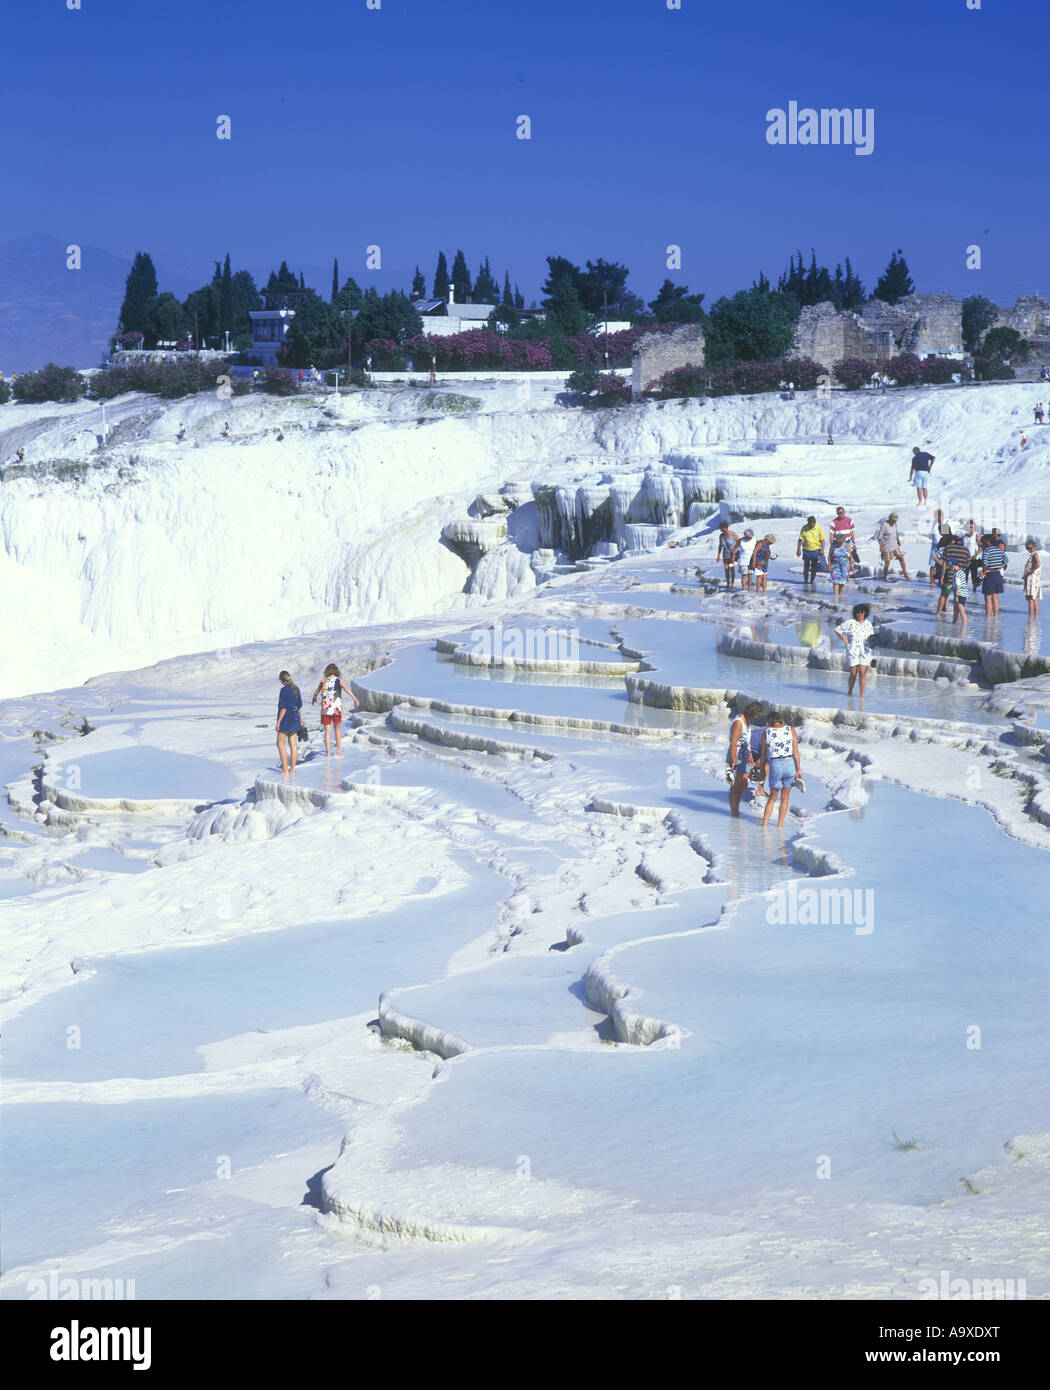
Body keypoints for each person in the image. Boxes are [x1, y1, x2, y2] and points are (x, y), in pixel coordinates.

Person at [760, 713, 802, 830]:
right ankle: (779, 825)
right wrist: (798, 770)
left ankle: (764, 825)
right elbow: (796, 752)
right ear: (780, 720)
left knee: (772, 798)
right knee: (785, 798)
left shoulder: (767, 732)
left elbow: (763, 754)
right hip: (789, 765)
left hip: (775, 765)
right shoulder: (791, 730)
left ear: (769, 721)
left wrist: (762, 770)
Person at [725, 701, 765, 817]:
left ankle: (736, 808)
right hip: (737, 755)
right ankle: (734, 811)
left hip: (745, 755)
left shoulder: (746, 721)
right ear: (751, 712)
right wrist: (733, 760)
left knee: (744, 783)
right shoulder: (739, 722)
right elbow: (733, 742)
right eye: (756, 715)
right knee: (736, 784)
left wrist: (750, 754)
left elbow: (746, 740)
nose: (756, 718)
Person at [311, 662, 356, 757]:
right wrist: (355, 699)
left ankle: (327, 753)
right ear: (336, 671)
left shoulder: (323, 680)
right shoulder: (339, 680)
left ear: (327, 671)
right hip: (336, 709)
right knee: (337, 730)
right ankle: (338, 750)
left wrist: (314, 698)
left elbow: (316, 691)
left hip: (325, 710)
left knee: (327, 731)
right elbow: (347, 690)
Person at [836, 602, 876, 696]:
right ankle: (850, 692)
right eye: (858, 612)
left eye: (862, 612)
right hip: (852, 651)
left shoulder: (868, 624)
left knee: (862, 673)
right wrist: (845, 640)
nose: (860, 614)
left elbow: (872, 638)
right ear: (855, 613)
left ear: (865, 613)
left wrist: (873, 643)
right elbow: (837, 630)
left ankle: (862, 696)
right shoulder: (851, 623)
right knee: (853, 673)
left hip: (865, 651)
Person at [935, 531, 972, 630]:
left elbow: (944, 563)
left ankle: (938, 613)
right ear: (962, 539)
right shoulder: (966, 550)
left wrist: (942, 575)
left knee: (944, 594)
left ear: (954, 539)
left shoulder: (948, 548)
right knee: (958, 599)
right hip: (961, 577)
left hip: (949, 576)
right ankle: (957, 620)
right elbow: (968, 564)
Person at [276, 670, 304, 774]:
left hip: (286, 720)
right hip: (295, 719)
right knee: (293, 744)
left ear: (282, 680)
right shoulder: (296, 689)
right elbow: (299, 707)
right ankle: (292, 769)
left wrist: (278, 722)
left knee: (280, 744)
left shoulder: (284, 690)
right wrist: (300, 720)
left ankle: (285, 769)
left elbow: (283, 708)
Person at [978, 532, 1007, 618]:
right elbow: (1006, 561)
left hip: (989, 575)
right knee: (995, 598)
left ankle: (987, 617)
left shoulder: (987, 551)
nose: (983, 544)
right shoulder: (999, 550)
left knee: (988, 599)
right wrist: (998, 568)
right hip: (998, 574)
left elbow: (985, 563)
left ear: (988, 542)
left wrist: (984, 571)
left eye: (984, 542)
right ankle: (996, 617)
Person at [877, 513, 910, 580]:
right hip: (887, 546)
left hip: (894, 545)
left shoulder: (894, 524)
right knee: (887, 563)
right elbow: (879, 538)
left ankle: (905, 574)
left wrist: (898, 540)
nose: (895, 522)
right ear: (890, 519)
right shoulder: (884, 525)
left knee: (901, 558)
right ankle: (884, 577)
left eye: (896, 521)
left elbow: (895, 533)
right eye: (894, 521)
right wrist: (881, 546)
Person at [797, 515, 825, 584]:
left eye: (812, 524)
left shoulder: (818, 528)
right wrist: (798, 549)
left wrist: (822, 549)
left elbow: (822, 540)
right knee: (806, 566)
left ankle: (812, 581)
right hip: (806, 550)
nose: (811, 526)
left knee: (814, 567)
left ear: (815, 522)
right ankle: (805, 581)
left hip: (816, 550)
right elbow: (800, 539)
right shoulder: (804, 528)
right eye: (810, 524)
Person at [715, 520, 741, 589]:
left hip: (734, 555)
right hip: (725, 555)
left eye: (724, 530)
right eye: (721, 530)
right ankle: (728, 583)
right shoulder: (721, 536)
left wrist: (738, 551)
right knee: (726, 569)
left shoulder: (733, 534)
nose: (723, 532)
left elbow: (739, 542)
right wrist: (718, 555)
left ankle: (732, 583)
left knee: (732, 569)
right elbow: (720, 545)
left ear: (727, 528)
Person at [828, 529, 853, 597]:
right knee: (835, 581)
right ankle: (836, 596)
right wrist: (829, 565)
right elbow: (829, 556)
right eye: (839, 542)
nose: (840, 543)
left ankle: (839, 595)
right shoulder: (833, 545)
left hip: (844, 566)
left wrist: (851, 565)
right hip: (835, 566)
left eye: (841, 542)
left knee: (842, 581)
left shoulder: (846, 546)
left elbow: (850, 556)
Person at [926, 509, 948, 587]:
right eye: (937, 517)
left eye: (940, 517)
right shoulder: (933, 524)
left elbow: (946, 536)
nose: (939, 519)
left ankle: (943, 579)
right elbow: (931, 535)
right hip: (934, 547)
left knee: (944, 564)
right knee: (932, 565)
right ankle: (931, 582)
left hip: (943, 547)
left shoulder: (945, 523)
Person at [1022, 540, 1041, 618]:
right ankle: (1035, 617)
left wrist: (1031, 571)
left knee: (1030, 598)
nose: (1029, 550)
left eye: (1030, 548)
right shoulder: (1033, 554)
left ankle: (1030, 617)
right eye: (1027, 548)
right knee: (1034, 599)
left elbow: (1038, 563)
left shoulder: (1035, 554)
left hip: (1032, 579)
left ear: (1034, 547)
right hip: (1033, 578)